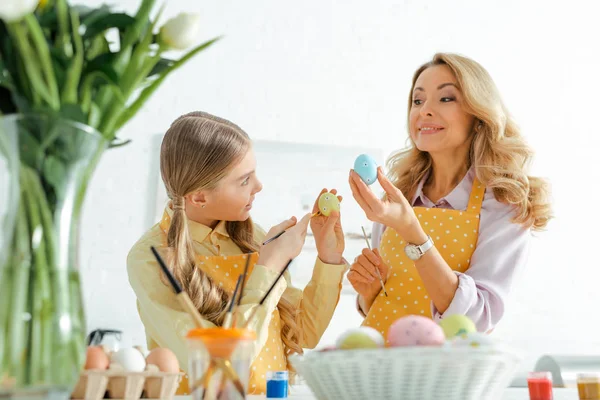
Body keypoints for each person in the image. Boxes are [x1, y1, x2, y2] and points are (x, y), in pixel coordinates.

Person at [127, 111, 347, 394]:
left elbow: (304, 333)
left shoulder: (255, 238)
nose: (259, 186)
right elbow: (217, 367)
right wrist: (269, 267)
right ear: (199, 197)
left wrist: (327, 257)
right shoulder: (149, 258)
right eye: (244, 180)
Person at [347, 53, 552, 339]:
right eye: (418, 101)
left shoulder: (505, 204)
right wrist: (368, 292)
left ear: (479, 115)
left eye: (445, 99)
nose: (424, 111)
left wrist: (413, 233)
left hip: (446, 377)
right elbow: (382, 304)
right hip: (378, 369)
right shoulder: (400, 194)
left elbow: (478, 318)